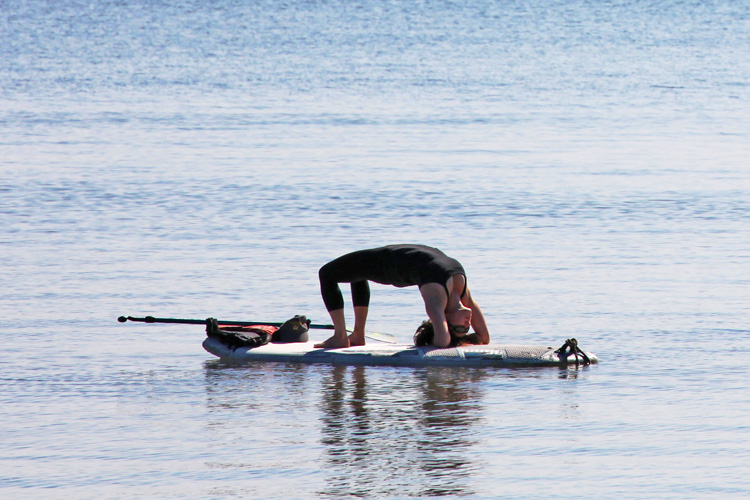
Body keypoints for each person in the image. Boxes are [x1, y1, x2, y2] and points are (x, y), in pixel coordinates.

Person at [314, 244, 490, 349]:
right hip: (398, 254)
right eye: (466, 328)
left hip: (391, 266)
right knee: (356, 272)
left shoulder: (435, 299)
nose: (468, 325)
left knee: (327, 274)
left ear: (447, 318)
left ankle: (341, 336)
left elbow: (443, 341)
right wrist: (464, 338)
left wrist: (455, 338)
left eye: (461, 328)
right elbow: (484, 337)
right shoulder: (461, 289)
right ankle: (357, 335)